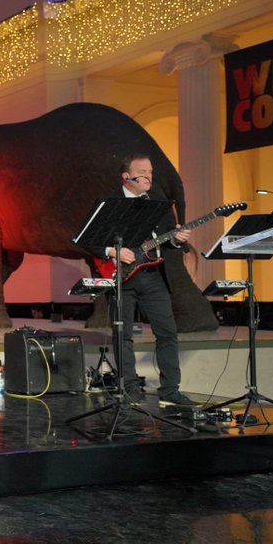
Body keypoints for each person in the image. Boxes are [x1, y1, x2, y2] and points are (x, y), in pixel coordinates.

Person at [103, 153, 196, 407]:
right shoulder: (111, 202)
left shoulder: (159, 202)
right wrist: (112, 251)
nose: (148, 176)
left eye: (150, 172)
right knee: (123, 335)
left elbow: (167, 240)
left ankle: (170, 390)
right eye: (142, 171)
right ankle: (130, 388)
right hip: (123, 278)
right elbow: (88, 239)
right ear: (126, 176)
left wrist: (176, 240)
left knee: (168, 332)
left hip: (154, 276)